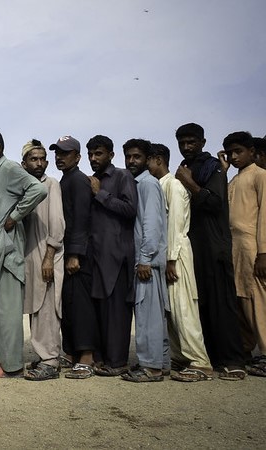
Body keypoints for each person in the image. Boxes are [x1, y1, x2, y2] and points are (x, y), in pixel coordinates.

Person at [174, 123, 247, 381]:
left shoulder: (211, 167)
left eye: (191, 141)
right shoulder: (185, 168)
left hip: (214, 245)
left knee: (221, 303)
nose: (186, 146)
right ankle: (211, 357)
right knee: (201, 302)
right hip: (194, 245)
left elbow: (215, 202)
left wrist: (190, 184)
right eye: (182, 142)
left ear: (203, 142)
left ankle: (233, 360)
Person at [0, 128, 47, 379]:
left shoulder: (10, 169)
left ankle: (12, 366)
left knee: (6, 308)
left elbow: (38, 190)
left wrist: (15, 217)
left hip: (6, 250)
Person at [147, 143, 212, 382]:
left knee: (184, 309)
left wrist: (172, 259)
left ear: (157, 159)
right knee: (171, 311)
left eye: (147, 160)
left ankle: (200, 362)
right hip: (166, 255)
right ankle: (181, 357)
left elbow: (175, 223)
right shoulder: (159, 185)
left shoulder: (173, 185)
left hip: (177, 255)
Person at [86, 135, 137, 377]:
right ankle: (104, 359)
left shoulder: (122, 176)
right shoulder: (91, 180)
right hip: (97, 256)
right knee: (102, 311)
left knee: (117, 312)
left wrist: (101, 194)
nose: (94, 158)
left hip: (117, 257)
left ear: (111, 155)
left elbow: (130, 209)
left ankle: (117, 363)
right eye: (91, 154)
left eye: (99, 154)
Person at [50, 136, 99, 380]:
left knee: (81, 305)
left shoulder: (78, 180)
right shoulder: (65, 180)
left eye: (66, 153)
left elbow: (81, 219)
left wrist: (75, 254)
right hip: (67, 252)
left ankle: (87, 356)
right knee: (68, 304)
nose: (60, 157)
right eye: (57, 152)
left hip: (79, 255)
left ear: (77, 157)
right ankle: (70, 353)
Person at [120, 139, 169, 382]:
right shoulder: (140, 184)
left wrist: (145, 259)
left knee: (147, 316)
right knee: (152, 315)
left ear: (148, 159)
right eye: (128, 156)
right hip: (145, 261)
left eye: (137, 157)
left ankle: (152, 369)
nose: (131, 161)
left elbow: (152, 224)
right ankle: (159, 364)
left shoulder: (148, 184)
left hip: (146, 262)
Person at [20, 140, 65, 381]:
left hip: (47, 257)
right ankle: (43, 354)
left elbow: (57, 226)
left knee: (47, 309)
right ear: (23, 163)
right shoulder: (25, 187)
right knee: (36, 309)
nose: (39, 163)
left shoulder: (51, 185)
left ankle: (50, 361)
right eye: (33, 159)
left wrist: (49, 258)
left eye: (42, 159)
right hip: (30, 257)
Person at [222, 132, 266, 377]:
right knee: (239, 300)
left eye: (239, 151)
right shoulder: (234, 180)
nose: (234, 156)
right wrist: (225, 169)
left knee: (257, 299)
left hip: (253, 246)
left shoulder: (261, 176)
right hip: (234, 247)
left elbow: (264, 218)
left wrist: (263, 252)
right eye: (230, 152)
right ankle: (247, 350)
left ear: (252, 152)